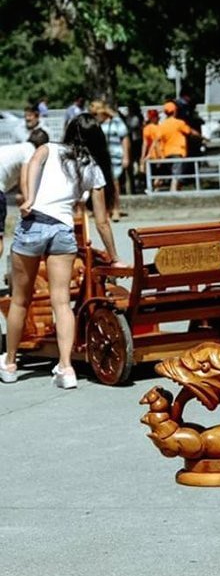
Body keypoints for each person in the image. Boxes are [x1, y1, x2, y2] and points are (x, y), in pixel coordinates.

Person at [1, 113, 126, 387]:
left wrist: (31, 197)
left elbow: (33, 163)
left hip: (35, 224)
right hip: (62, 230)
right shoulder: (93, 167)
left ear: (69, 130)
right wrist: (113, 255)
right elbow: (102, 221)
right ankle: (66, 368)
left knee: (20, 299)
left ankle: (9, 363)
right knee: (61, 302)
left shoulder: (49, 148)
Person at [0, 129, 50, 259]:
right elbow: (24, 181)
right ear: (41, 147)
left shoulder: (17, 148)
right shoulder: (30, 151)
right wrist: (31, 205)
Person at [148, 101, 205, 193]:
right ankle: (173, 193)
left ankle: (154, 189)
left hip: (166, 154)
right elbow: (190, 132)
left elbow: (157, 140)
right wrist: (203, 138)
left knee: (165, 174)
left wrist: (159, 154)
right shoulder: (179, 123)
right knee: (176, 177)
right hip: (178, 152)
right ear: (175, 111)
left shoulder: (162, 125)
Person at [90, 99, 130, 219]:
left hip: (115, 157)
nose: (95, 117)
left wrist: (126, 157)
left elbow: (125, 138)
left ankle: (116, 209)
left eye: (95, 114)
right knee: (101, 185)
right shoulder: (96, 124)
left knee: (114, 183)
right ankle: (104, 210)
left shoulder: (116, 122)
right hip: (100, 157)